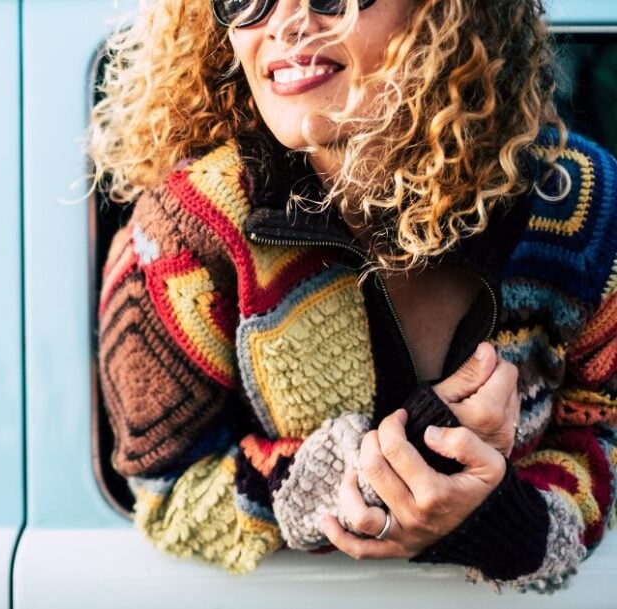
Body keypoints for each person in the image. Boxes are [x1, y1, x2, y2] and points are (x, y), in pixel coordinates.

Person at [91, 0, 617, 593]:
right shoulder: (184, 233)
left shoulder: (580, 207)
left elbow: (604, 434)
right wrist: (373, 477)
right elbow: (167, 494)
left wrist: (503, 525)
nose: (285, 23)